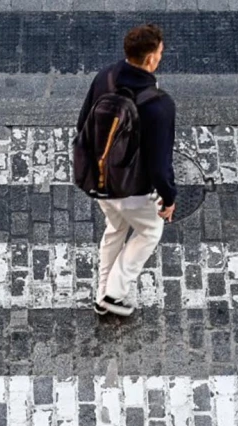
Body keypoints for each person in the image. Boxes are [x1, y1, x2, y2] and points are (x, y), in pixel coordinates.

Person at [76, 24, 177, 317]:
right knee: (149, 230)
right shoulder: (159, 104)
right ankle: (114, 294)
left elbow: (84, 122)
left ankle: (101, 294)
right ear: (149, 60)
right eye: (159, 52)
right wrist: (169, 198)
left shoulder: (104, 77)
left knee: (116, 228)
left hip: (98, 178)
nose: (160, 56)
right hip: (132, 187)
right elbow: (160, 165)